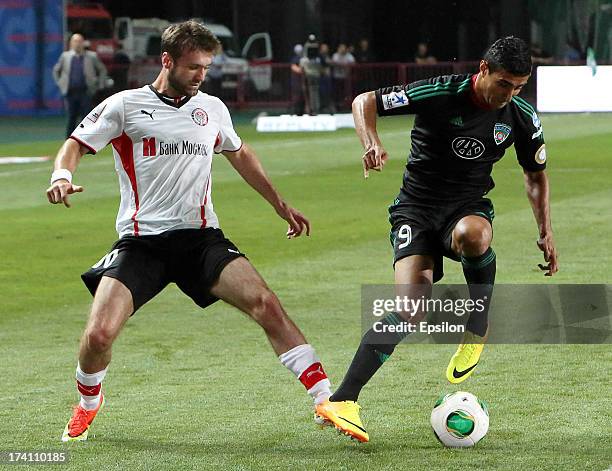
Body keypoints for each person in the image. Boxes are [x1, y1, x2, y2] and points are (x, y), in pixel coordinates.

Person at [46, 20, 332, 442]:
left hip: (201, 239)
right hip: (142, 243)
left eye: (207, 67)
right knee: (99, 334)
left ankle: (327, 399)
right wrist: (61, 175)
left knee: (265, 303)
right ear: (167, 60)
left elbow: (240, 154)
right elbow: (76, 142)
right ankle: (89, 403)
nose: (202, 75)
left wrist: (279, 204)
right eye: (194, 67)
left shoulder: (213, 108)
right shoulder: (125, 105)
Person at [315, 36, 558, 442]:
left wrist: (545, 229)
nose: (510, 94)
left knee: (474, 235)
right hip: (416, 209)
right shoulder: (441, 91)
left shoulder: (520, 116)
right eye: (504, 84)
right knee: (410, 307)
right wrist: (371, 141)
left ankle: (477, 323)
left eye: (519, 87)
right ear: (483, 69)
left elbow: (535, 176)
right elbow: (364, 101)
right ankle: (342, 399)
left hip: (466, 208)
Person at [53, 33, 107, 138]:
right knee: (71, 118)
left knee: (87, 118)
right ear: (71, 44)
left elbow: (102, 70)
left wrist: (99, 84)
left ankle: (87, 141)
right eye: (75, 41)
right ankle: (68, 142)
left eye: (79, 41)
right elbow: (56, 70)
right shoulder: (65, 56)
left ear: (83, 43)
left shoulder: (91, 56)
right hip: (70, 92)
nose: (77, 44)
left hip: (85, 92)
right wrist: (61, 83)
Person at [300, 35, 322, 115]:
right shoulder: (306, 47)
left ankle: (314, 109)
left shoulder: (316, 56)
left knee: (314, 91)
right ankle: (310, 109)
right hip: (309, 73)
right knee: (310, 92)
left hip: (313, 73)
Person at [331, 43, 355, 111]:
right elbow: (334, 62)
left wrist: (345, 65)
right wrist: (343, 65)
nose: (342, 49)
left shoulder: (349, 56)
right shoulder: (335, 55)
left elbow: (353, 63)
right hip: (337, 77)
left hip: (346, 78)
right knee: (338, 93)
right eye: (341, 48)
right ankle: (338, 107)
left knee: (347, 93)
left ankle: (347, 107)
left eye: (344, 48)